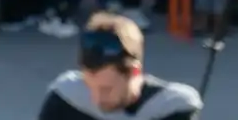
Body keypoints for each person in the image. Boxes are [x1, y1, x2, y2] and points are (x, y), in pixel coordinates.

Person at [37, 12, 201, 120]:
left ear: (134, 72)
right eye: (89, 86)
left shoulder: (171, 106)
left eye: (106, 89)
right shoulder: (65, 97)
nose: (96, 99)